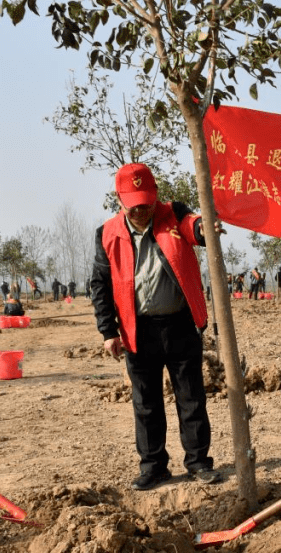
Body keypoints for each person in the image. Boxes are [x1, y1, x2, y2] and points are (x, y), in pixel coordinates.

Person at [90, 163, 222, 490]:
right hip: (138, 330)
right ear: (120, 200)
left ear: (156, 197)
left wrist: (205, 227)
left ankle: (198, 462)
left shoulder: (172, 214)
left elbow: (193, 226)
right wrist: (108, 332)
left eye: (146, 203)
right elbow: (99, 285)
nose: (141, 211)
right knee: (146, 403)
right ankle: (153, 466)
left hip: (180, 324)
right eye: (134, 205)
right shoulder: (107, 234)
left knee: (191, 397)